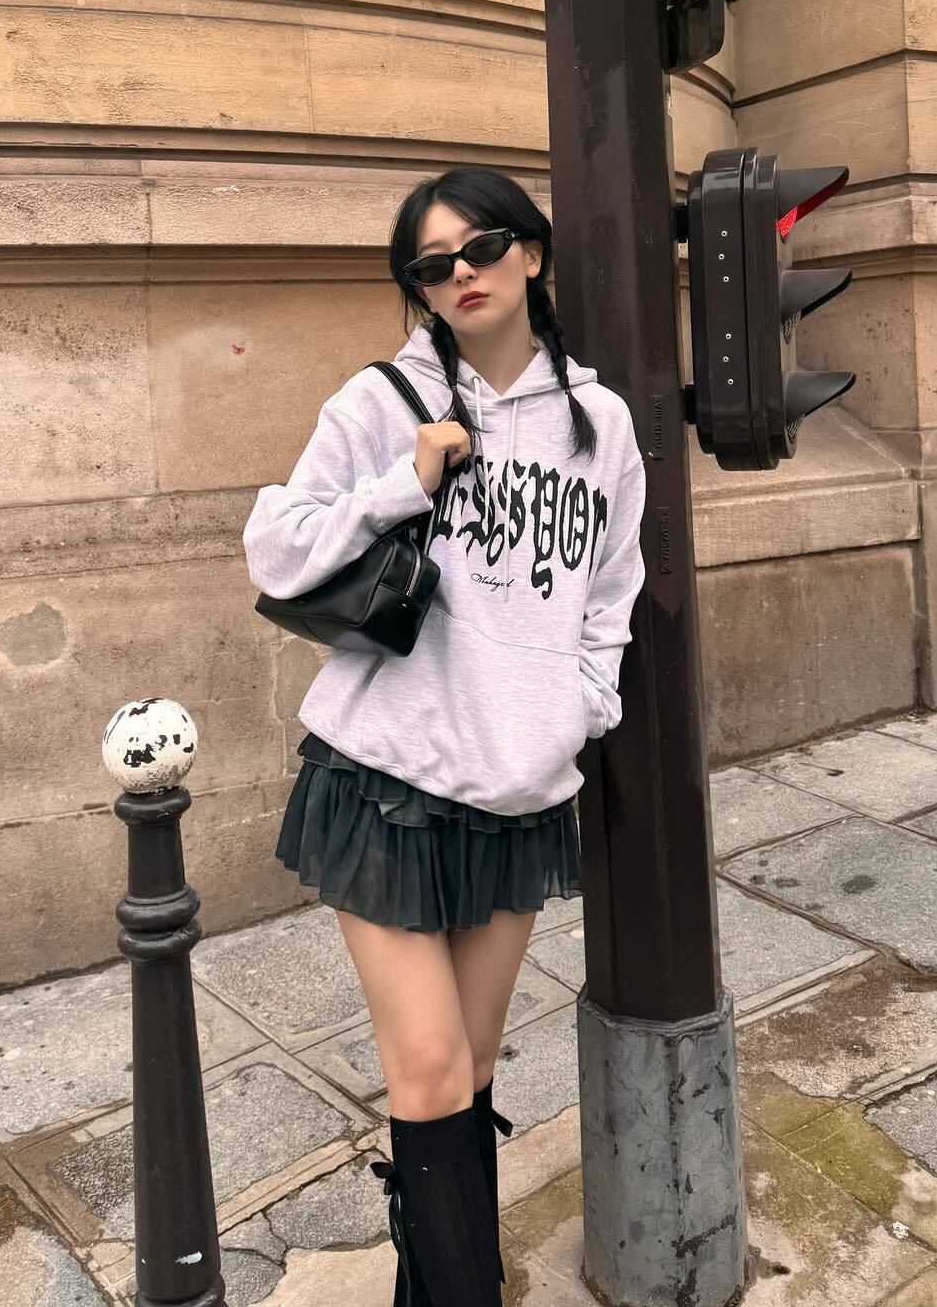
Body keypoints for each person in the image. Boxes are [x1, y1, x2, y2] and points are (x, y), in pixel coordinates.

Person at [242, 164, 648, 1304]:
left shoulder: (602, 423)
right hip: (387, 780)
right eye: (432, 265)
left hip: (518, 786)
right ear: (417, 289)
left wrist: (581, 705)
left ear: (531, 254)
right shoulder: (382, 401)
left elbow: (612, 588)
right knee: (425, 1070)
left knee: (467, 1071)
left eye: (481, 248)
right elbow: (275, 547)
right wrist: (402, 481)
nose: (461, 274)